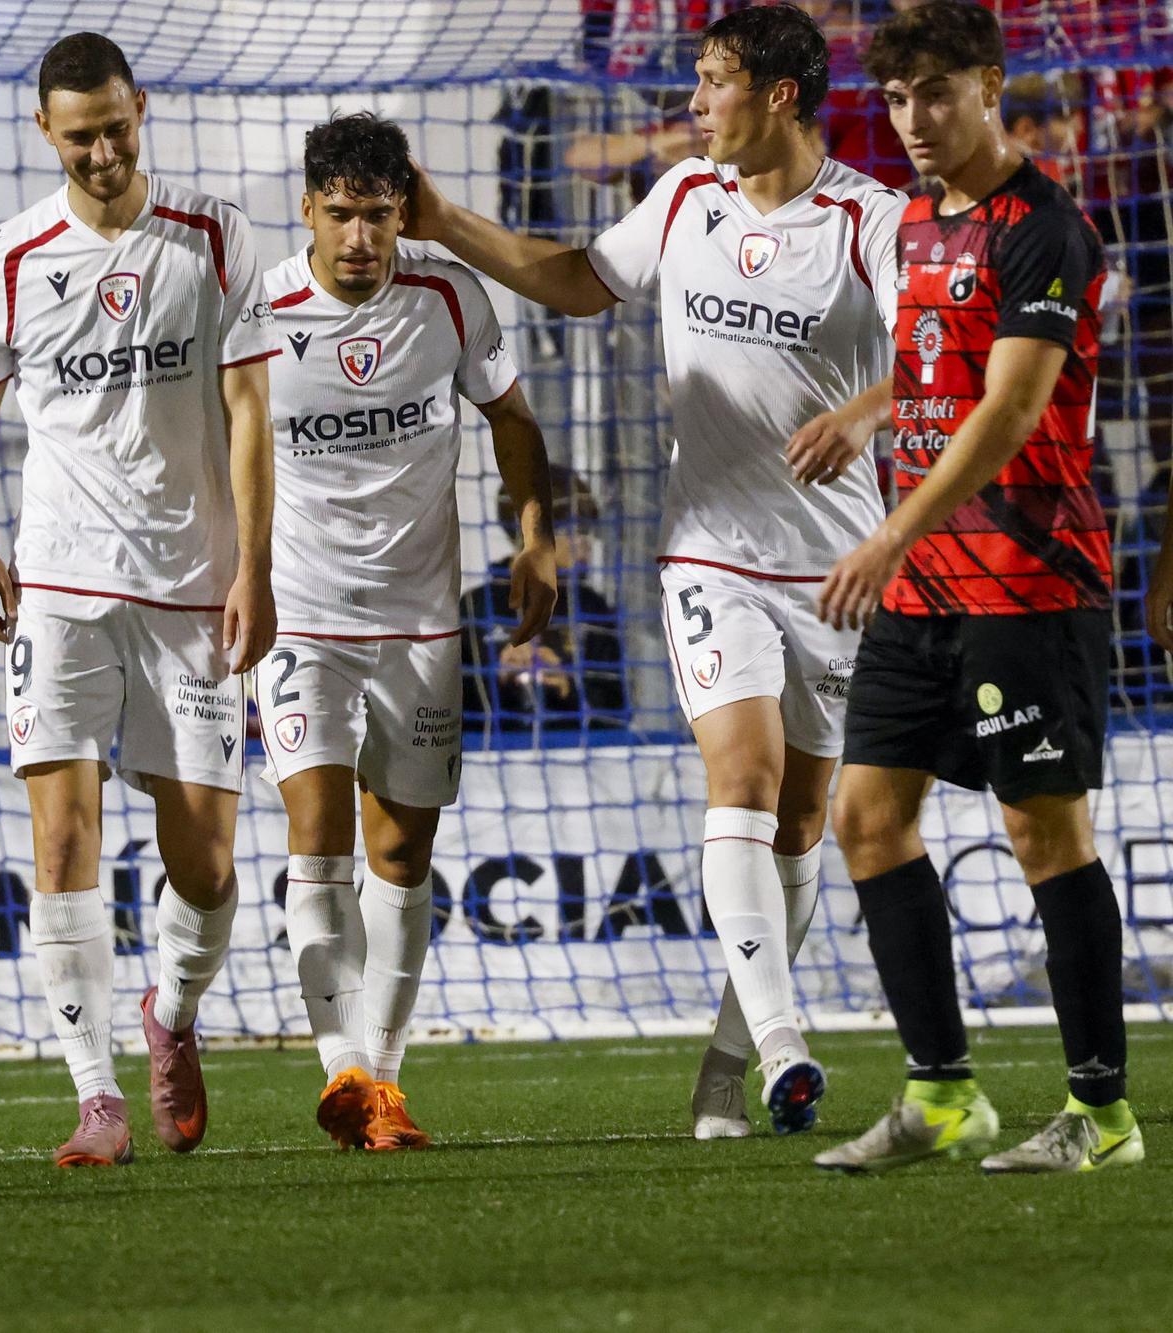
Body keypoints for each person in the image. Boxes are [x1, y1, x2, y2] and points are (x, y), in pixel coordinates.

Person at [407, 3, 905, 1139]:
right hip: (707, 552)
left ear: (778, 94)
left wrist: (865, 411)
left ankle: (725, 1062)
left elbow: (940, 352)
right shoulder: (684, 196)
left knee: (797, 821)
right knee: (738, 774)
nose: (690, 103)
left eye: (711, 81)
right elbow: (578, 278)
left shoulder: (868, 220)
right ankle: (783, 1042)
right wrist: (442, 221)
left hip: (835, 564)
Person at [813, 1, 1142, 1176]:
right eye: (896, 98)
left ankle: (1100, 1115)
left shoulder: (1043, 227)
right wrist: (864, 415)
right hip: (925, 593)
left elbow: (1007, 409)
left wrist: (889, 533)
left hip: (1024, 579)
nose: (912, 119)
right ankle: (940, 1093)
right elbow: (927, 369)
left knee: (1039, 833)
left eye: (936, 93)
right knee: (864, 818)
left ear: (991, 86)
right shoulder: (913, 219)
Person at [0, 32, 277, 1167]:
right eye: (77, 135)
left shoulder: (214, 232)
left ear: (142, 110)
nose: (98, 152)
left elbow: (246, 411)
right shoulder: (7, 254)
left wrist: (255, 566)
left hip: (190, 589)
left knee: (208, 869)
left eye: (115, 129)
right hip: (61, 584)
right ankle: (95, 1098)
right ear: (45, 130)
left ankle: (171, 1014)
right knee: (62, 842)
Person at [254, 112, 556, 1151]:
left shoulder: (445, 295)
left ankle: (379, 1080)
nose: (358, 239)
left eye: (377, 217)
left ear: (399, 212)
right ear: (306, 208)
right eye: (338, 215)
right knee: (317, 835)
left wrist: (533, 538)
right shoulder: (254, 308)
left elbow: (511, 418)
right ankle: (340, 1064)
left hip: (422, 618)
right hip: (298, 616)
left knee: (404, 849)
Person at [460, 472, 626, 735]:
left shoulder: (591, 608)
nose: (586, 544)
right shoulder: (475, 608)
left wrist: (567, 686)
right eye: (575, 530)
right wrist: (500, 679)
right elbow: (451, 718)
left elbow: (617, 713)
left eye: (588, 531)